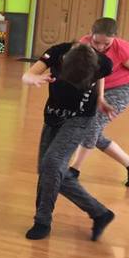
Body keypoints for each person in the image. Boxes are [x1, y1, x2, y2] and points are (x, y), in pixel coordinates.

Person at [22, 42, 116, 240]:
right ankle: (99, 213)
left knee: (51, 164)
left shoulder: (103, 62)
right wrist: (33, 78)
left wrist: (100, 98)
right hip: (54, 116)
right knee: (49, 171)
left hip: (80, 119)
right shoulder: (56, 53)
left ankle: (42, 221)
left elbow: (101, 76)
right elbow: (27, 75)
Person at [70, 18, 129, 187]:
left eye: (106, 44)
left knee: (92, 127)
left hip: (122, 89)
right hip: (97, 89)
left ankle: (74, 170)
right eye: (96, 42)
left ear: (115, 37)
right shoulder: (84, 45)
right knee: (91, 130)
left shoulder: (122, 48)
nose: (100, 47)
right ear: (90, 34)